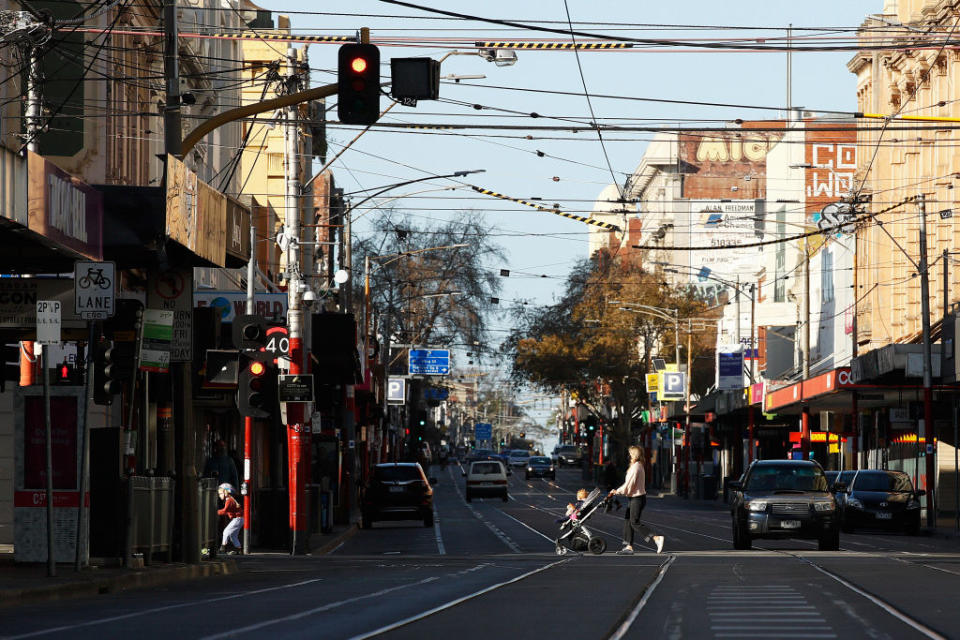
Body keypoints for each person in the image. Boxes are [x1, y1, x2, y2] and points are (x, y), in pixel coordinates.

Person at [609, 445, 664, 555]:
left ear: (634, 455)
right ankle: (628, 546)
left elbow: (629, 484)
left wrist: (617, 491)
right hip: (635, 498)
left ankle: (656, 538)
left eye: (630, 454)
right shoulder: (637, 465)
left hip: (637, 498)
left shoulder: (636, 467)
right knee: (627, 521)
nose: (629, 456)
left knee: (634, 522)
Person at [217, 483, 243, 554]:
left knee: (226, 532)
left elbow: (225, 511)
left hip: (238, 519)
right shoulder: (230, 500)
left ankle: (223, 548)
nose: (219, 495)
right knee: (233, 535)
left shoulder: (229, 500)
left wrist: (216, 512)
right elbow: (227, 511)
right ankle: (239, 549)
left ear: (226, 492)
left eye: (220, 493)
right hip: (239, 519)